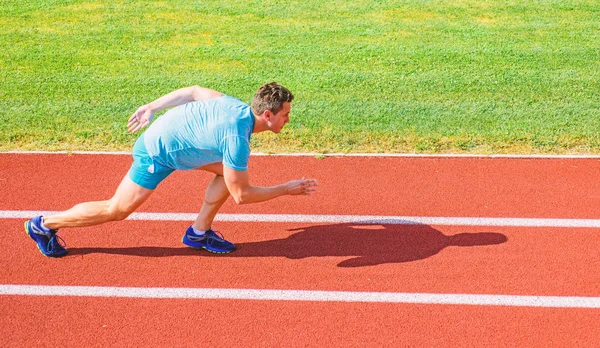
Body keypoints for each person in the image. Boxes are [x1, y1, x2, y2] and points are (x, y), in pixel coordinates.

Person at [25, 82, 318, 257]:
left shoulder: (235, 106)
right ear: (267, 115)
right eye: (285, 115)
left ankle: (199, 233)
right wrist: (286, 189)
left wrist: (152, 107)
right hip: (157, 151)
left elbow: (193, 91)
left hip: (178, 147)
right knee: (117, 209)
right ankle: (44, 224)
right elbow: (242, 195)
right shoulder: (236, 138)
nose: (288, 121)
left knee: (225, 173)